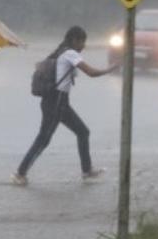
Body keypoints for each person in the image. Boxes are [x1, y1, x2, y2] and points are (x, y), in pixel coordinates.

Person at [12, 26, 117, 186]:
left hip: (58, 102)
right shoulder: (70, 53)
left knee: (83, 132)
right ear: (74, 40)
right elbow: (91, 72)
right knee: (44, 139)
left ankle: (87, 171)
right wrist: (111, 69)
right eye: (82, 42)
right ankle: (20, 173)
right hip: (56, 102)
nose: (84, 46)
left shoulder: (61, 51)